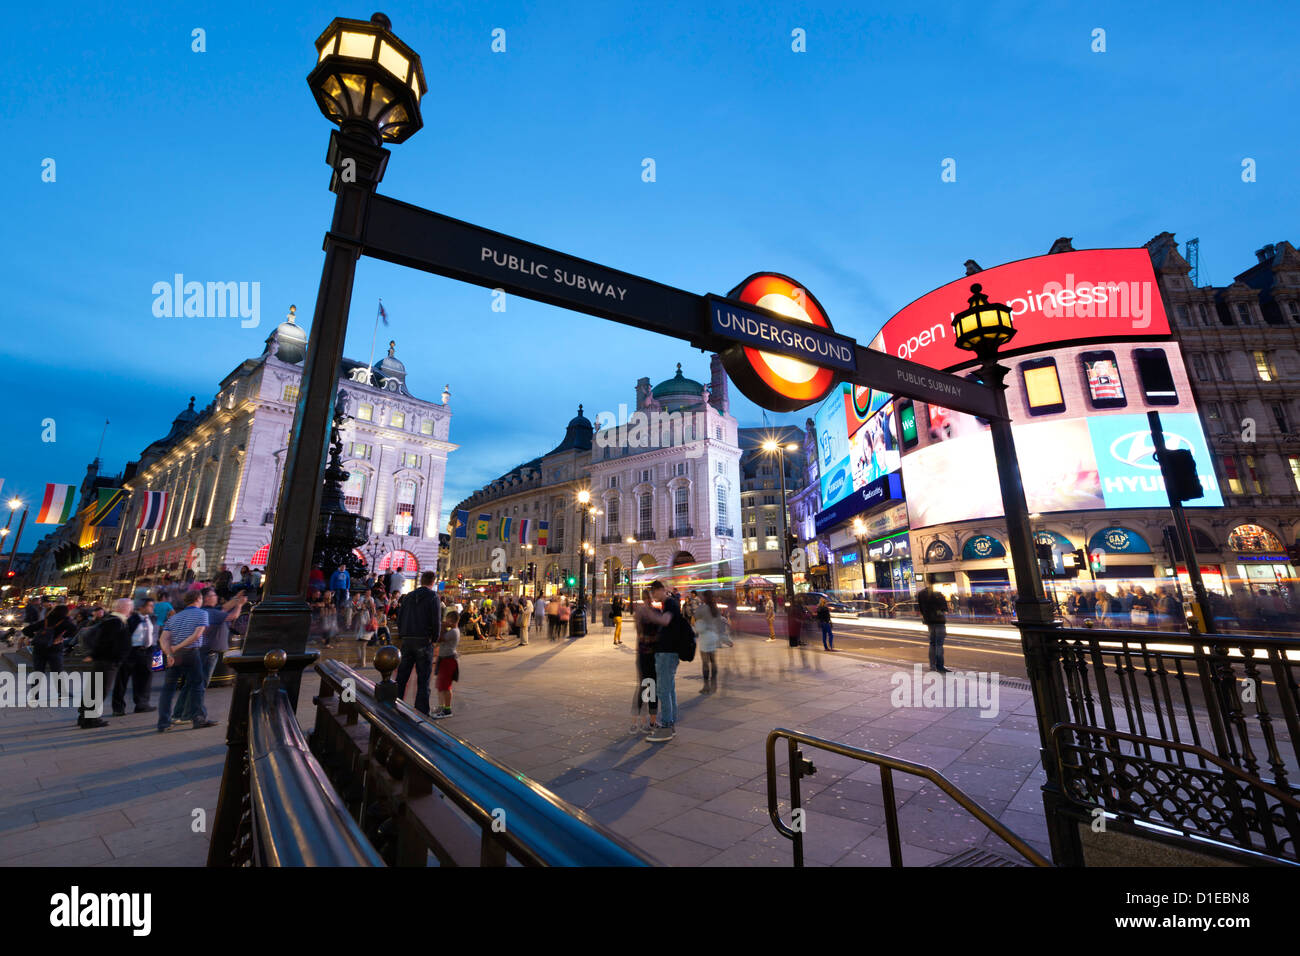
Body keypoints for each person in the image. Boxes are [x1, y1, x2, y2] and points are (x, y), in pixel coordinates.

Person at [176, 589, 246, 723]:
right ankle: (197, 716)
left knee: (191, 684)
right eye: (213, 595)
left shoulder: (210, 611)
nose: (216, 597)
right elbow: (232, 616)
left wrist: (236, 598)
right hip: (206, 654)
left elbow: (225, 607)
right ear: (206, 598)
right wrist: (240, 605)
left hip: (200, 652)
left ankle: (179, 714)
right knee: (200, 685)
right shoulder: (211, 613)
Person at [156, 590, 220, 732]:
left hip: (174, 656)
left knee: (168, 689)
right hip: (191, 654)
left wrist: (169, 653)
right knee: (197, 685)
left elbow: (163, 639)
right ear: (198, 599)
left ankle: (163, 723)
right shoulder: (202, 614)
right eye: (202, 598)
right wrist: (178, 647)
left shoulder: (174, 618)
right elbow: (197, 635)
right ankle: (198, 719)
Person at [78, 598, 133, 728]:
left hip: (104, 660)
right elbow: (104, 642)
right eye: (130, 607)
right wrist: (96, 655)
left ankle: (84, 716)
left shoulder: (111, 620)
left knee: (93, 688)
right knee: (99, 690)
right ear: (124, 608)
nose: (131, 610)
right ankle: (90, 719)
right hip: (107, 661)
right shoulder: (115, 622)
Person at [395, 571, 440, 714]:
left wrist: (403, 634)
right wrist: (434, 639)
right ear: (433, 581)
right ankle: (421, 710)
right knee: (423, 679)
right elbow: (436, 620)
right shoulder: (433, 596)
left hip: (408, 640)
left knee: (402, 677)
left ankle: (395, 703)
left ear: (421, 580)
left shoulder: (408, 596)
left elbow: (400, 617)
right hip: (423, 640)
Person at [648, 581, 688, 741]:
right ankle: (670, 722)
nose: (653, 597)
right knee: (669, 688)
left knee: (663, 690)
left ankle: (666, 726)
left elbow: (665, 621)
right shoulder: (670, 603)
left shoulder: (670, 603)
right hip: (668, 652)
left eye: (654, 594)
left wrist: (650, 615)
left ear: (660, 590)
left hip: (667, 653)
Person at [632, 587, 671, 734]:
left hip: (647, 654)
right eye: (647, 597)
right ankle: (646, 721)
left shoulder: (643, 613)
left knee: (649, 686)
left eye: (649, 597)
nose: (648, 600)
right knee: (648, 686)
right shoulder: (647, 613)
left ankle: (647, 721)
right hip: (647, 654)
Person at [112, 598, 158, 716]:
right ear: (141, 607)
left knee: (145, 679)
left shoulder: (152, 619)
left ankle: (142, 704)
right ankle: (118, 708)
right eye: (150, 606)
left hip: (146, 652)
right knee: (122, 680)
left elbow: (154, 637)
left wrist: (156, 655)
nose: (152, 608)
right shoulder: (131, 620)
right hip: (131, 652)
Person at [26, 603, 75, 674]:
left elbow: (26, 630)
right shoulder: (64, 622)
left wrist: (34, 636)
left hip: (39, 648)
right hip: (54, 648)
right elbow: (74, 629)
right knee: (57, 673)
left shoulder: (45, 621)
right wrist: (62, 637)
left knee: (38, 673)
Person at [695, 591, 728, 693]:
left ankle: (706, 686)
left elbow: (695, 618)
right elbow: (719, 624)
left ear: (705, 598)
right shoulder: (716, 609)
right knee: (713, 661)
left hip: (705, 637)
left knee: (705, 663)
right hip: (713, 637)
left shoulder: (701, 608)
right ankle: (714, 684)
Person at [431, 608, 461, 719]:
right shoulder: (451, 630)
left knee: (446, 686)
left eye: (447, 620)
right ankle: (441, 706)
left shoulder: (453, 632)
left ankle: (447, 710)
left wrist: (442, 627)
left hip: (449, 660)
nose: (445, 622)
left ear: (452, 621)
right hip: (443, 659)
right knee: (440, 685)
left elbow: (439, 639)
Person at [917, 579, 948, 673]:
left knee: (932, 643)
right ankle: (940, 666)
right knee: (939, 644)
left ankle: (932, 666)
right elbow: (944, 608)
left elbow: (921, 608)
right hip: (939, 621)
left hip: (929, 621)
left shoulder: (921, 594)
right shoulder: (938, 594)